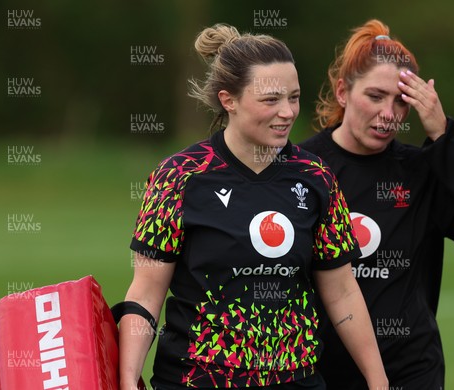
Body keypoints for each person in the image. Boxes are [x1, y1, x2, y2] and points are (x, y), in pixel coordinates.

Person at [117, 23, 388, 390]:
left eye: (293, 97)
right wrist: (128, 377)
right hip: (195, 380)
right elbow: (146, 291)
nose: (288, 112)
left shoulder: (316, 177)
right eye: (270, 99)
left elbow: (342, 291)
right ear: (229, 100)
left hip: (295, 380)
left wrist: (378, 380)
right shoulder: (178, 176)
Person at [298, 19, 454, 389]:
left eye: (401, 101)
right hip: (320, 375)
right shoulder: (301, 169)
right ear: (342, 92)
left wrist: (443, 134)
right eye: (375, 96)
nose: (389, 114)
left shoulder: (419, 171)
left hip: (410, 372)